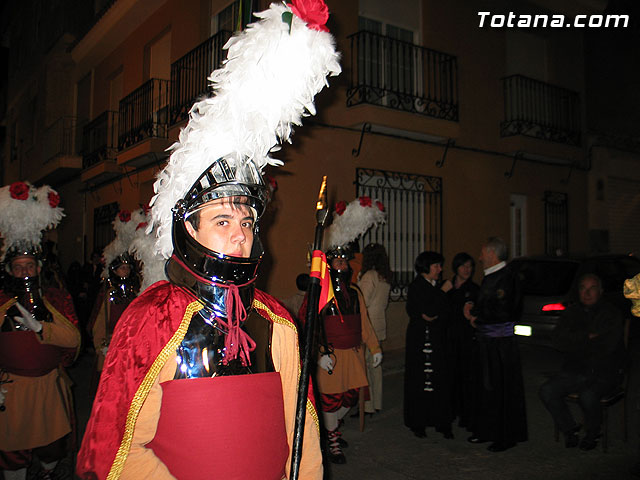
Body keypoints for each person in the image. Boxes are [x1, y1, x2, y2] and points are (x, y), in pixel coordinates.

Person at [76, 2, 340, 479]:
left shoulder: (275, 322)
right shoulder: (153, 319)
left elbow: (300, 431)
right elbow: (118, 450)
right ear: (188, 229)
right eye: (222, 221)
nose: (240, 234)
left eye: (247, 223)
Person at [0, 182, 80, 480]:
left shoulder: (55, 297)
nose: (24, 272)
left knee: (52, 448)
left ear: (38, 267)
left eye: (29, 266)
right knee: (12, 455)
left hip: (47, 388)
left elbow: (73, 340)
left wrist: (42, 327)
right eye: (18, 267)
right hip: (12, 390)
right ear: (9, 270)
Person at [304, 196, 385, 464]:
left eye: (345, 262)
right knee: (330, 400)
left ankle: (331, 430)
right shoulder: (318, 294)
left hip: (352, 353)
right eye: (338, 262)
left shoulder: (355, 292)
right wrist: (317, 353)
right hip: (330, 356)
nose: (343, 266)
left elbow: (364, 323)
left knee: (349, 399)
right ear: (329, 264)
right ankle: (333, 440)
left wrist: (374, 348)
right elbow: (309, 325)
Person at [539, 273, 625, 451]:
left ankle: (593, 432)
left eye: (591, 288)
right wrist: (587, 337)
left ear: (600, 291)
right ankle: (570, 429)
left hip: (603, 372)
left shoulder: (611, 314)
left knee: (588, 395)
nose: (587, 293)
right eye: (582, 289)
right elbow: (557, 340)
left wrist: (575, 341)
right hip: (575, 370)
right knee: (547, 391)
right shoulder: (572, 312)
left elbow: (607, 346)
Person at [464, 236, 527, 452]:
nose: (479, 257)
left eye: (482, 253)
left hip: (500, 346)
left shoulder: (507, 278)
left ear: (492, 254)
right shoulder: (492, 277)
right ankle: (486, 430)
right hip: (487, 343)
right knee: (486, 388)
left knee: (500, 390)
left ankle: (505, 435)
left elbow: (504, 311)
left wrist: (477, 318)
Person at [404, 251, 454, 439]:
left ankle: (442, 421)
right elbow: (428, 312)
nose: (440, 270)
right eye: (436, 266)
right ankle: (419, 422)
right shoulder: (417, 287)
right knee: (420, 379)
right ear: (426, 268)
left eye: (440, 266)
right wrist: (441, 294)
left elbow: (444, 312)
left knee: (440, 378)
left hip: (438, 339)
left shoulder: (438, 286)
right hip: (420, 339)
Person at [89, 209, 142, 377]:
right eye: (121, 268)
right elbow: (99, 323)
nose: (125, 272)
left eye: (127, 268)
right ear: (114, 270)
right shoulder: (109, 291)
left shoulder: (135, 290)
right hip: (112, 343)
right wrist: (100, 346)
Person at [441, 252, 479, 429]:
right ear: (456, 267)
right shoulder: (447, 286)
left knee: (466, 378)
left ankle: (467, 415)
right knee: (449, 377)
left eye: (470, 266)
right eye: (464, 266)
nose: (467, 270)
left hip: (466, 340)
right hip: (449, 339)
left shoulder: (474, 289)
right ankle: (449, 412)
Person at [358, 243, 391, 414]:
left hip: (369, 325)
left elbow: (362, 301)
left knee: (366, 366)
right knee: (375, 367)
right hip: (379, 323)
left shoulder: (369, 276)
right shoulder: (383, 276)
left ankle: (367, 406)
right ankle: (376, 403)